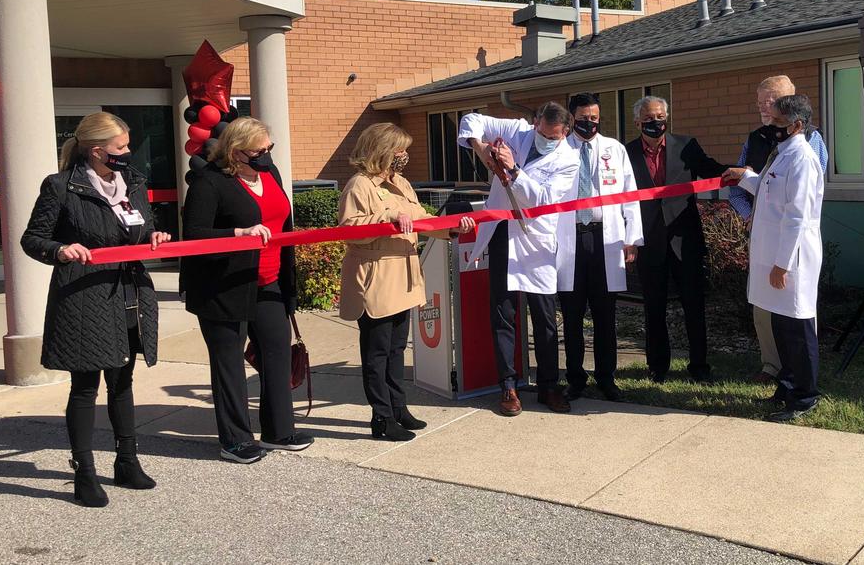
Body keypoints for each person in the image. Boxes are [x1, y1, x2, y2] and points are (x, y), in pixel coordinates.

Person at [21, 111, 171, 507]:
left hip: (130, 294)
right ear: (97, 150)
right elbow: (32, 239)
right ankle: (84, 472)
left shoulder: (133, 182)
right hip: (85, 297)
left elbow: (141, 226)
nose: (128, 152)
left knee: (122, 382)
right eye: (121, 146)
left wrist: (154, 234)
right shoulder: (61, 186)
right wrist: (60, 250)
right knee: (85, 386)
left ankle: (127, 461)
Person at [180, 117, 312, 463]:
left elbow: (284, 225)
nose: (265, 155)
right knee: (229, 365)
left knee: (277, 354)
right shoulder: (210, 182)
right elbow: (193, 235)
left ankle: (279, 431)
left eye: (269, 148)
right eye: (258, 150)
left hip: (269, 281)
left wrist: (289, 281)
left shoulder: (270, 174)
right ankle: (235, 440)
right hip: (223, 287)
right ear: (235, 151)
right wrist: (238, 234)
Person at [338, 123, 476, 441]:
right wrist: (385, 218)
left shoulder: (401, 183)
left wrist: (453, 228)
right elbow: (349, 228)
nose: (404, 156)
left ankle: (398, 408)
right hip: (376, 277)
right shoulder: (360, 185)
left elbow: (422, 220)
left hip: (405, 276)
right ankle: (382, 417)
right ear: (382, 149)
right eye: (399, 150)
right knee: (377, 353)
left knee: (397, 349)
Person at [458, 102, 580, 416]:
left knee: (545, 317)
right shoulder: (518, 131)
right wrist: (481, 149)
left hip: (537, 240)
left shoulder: (569, 159)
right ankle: (508, 386)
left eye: (552, 136)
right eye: (541, 132)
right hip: (503, 233)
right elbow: (471, 119)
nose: (544, 139)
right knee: (503, 312)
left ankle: (548, 386)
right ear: (536, 122)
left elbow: (542, 200)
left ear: (565, 133)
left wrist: (513, 170)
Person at [722, 94, 825, 422]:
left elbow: (797, 216)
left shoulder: (802, 159)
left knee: (797, 328)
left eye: (778, 122)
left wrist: (782, 264)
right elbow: (770, 191)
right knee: (781, 327)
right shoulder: (781, 154)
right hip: (773, 256)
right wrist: (743, 177)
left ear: (797, 125)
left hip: (791, 260)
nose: (772, 127)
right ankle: (787, 386)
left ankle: (805, 396)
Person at [626, 96, 727, 383]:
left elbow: (711, 169)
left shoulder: (686, 146)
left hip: (685, 239)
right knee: (654, 306)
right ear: (637, 122)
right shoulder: (626, 153)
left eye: (660, 117)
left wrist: (740, 172)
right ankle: (657, 367)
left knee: (694, 304)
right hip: (648, 240)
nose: (656, 122)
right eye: (649, 118)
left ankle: (699, 367)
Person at [557, 93, 643, 402]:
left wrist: (632, 239)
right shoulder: (558, 149)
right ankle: (575, 379)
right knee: (572, 314)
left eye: (594, 118)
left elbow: (630, 194)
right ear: (571, 118)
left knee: (605, 314)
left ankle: (607, 378)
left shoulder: (614, 149)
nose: (590, 123)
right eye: (584, 118)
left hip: (605, 239)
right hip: (569, 239)